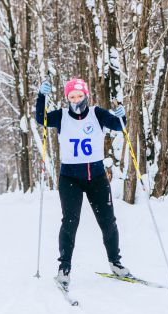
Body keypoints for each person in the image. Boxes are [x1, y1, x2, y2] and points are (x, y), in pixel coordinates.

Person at [36, 78, 130, 286]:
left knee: (108, 221)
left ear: (86, 95)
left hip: (96, 176)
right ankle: (64, 267)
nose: (76, 100)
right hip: (70, 178)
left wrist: (123, 115)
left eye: (79, 96)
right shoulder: (61, 116)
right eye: (72, 97)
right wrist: (41, 97)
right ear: (67, 98)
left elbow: (118, 125)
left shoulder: (97, 113)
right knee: (70, 222)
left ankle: (115, 263)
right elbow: (41, 119)